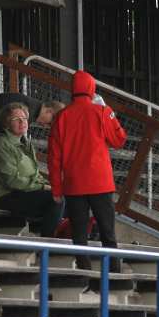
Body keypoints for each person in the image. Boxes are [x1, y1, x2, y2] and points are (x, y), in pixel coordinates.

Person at [48, 70, 127, 281]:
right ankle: (114, 275)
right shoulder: (101, 111)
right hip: (100, 183)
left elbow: (54, 158)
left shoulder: (62, 116)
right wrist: (108, 112)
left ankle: (84, 275)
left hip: (74, 185)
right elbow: (119, 139)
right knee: (107, 232)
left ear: (72, 89)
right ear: (92, 89)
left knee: (79, 234)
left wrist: (56, 189)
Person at [0, 102, 62, 238]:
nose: (22, 122)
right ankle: (48, 242)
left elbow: (35, 175)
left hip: (20, 194)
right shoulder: (0, 143)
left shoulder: (25, 142)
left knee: (71, 199)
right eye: (16, 119)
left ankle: (55, 238)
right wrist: (43, 187)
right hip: (1, 197)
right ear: (6, 123)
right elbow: (12, 181)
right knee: (54, 199)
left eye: (24, 118)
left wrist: (51, 185)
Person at [0, 93, 64, 172]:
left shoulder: (31, 106)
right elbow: (11, 137)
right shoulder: (27, 110)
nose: (46, 126)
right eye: (49, 124)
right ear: (49, 111)